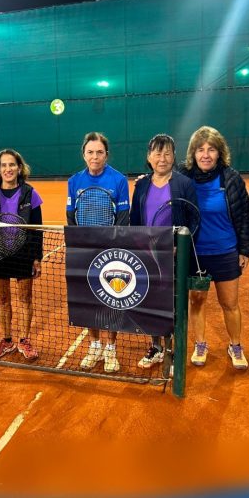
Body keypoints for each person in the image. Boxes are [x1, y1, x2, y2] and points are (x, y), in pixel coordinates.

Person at [180, 126, 249, 370]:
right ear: (193, 153)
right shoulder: (183, 176)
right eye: (200, 149)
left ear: (220, 153)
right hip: (195, 254)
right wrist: (145, 180)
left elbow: (244, 216)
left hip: (225, 251)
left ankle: (235, 346)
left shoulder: (231, 178)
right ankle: (200, 344)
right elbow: (161, 180)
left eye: (211, 149)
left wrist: (245, 249)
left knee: (230, 303)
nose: (205, 155)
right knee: (197, 300)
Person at [130, 133, 198, 368]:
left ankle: (172, 350)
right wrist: (138, 248)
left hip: (175, 255)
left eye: (167, 153)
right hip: (147, 255)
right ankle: (156, 347)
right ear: (149, 157)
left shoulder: (184, 184)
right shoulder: (141, 185)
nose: (162, 158)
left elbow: (194, 219)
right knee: (151, 303)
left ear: (174, 156)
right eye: (157, 153)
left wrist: (180, 246)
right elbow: (135, 220)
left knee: (173, 305)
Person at [66, 131, 130, 373]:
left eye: (99, 152)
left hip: (110, 251)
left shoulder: (118, 180)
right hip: (85, 251)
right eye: (90, 152)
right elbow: (71, 217)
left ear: (106, 154)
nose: (95, 157)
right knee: (89, 300)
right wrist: (81, 247)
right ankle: (94, 345)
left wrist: (112, 249)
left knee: (112, 299)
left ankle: (111, 348)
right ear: (84, 154)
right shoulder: (74, 181)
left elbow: (122, 218)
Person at [0, 149, 43, 360]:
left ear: (19, 167)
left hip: (23, 254)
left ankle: (24, 340)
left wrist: (37, 258)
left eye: (12, 164)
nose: (8, 169)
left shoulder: (30, 193)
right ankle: (7, 341)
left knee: (25, 298)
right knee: (3, 299)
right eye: (4, 165)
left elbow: (37, 229)